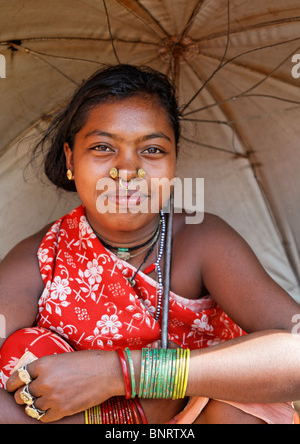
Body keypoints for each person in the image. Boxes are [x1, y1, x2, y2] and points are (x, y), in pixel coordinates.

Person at [0, 64, 300, 424]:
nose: (127, 170)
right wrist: (124, 417)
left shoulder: (201, 240)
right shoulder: (39, 259)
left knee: (234, 409)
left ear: (174, 159)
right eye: (102, 147)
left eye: (153, 150)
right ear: (70, 159)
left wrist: (122, 373)